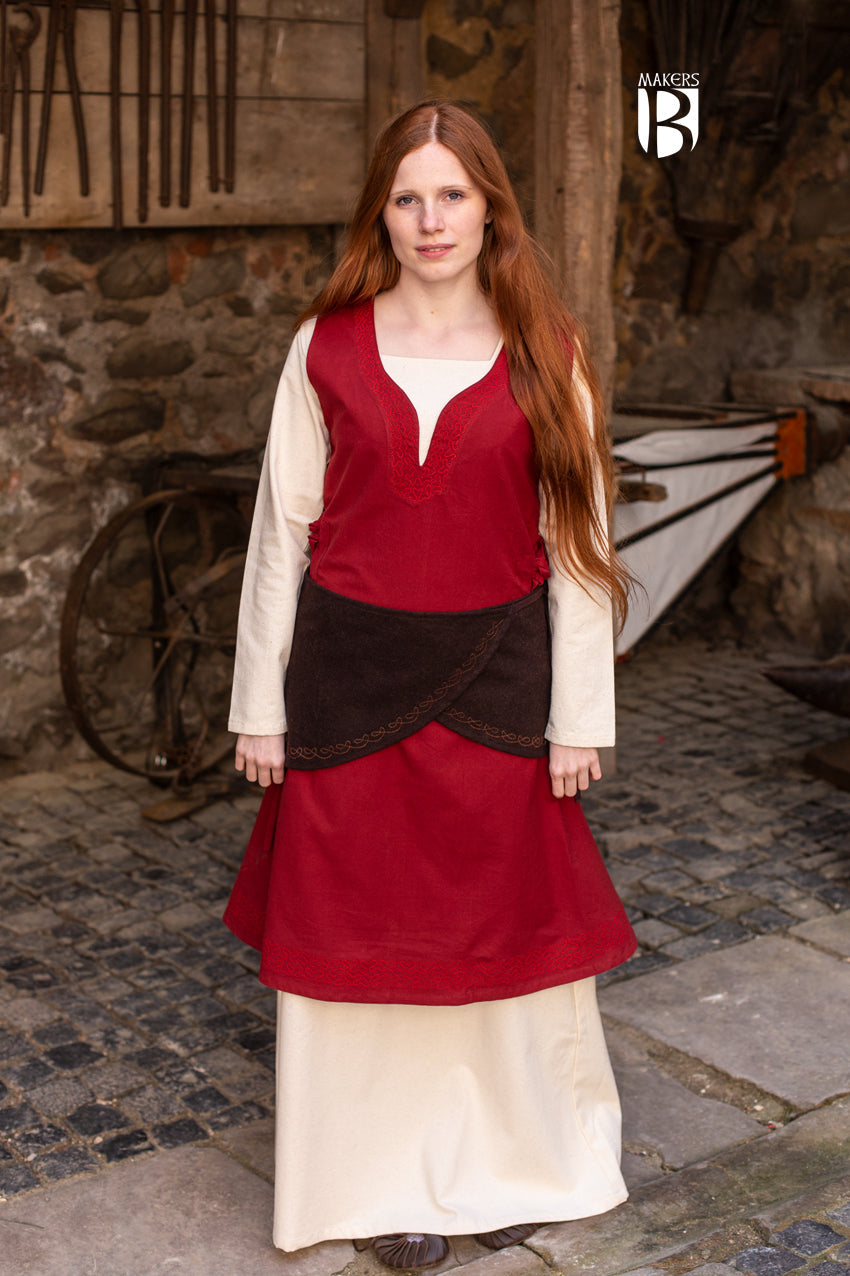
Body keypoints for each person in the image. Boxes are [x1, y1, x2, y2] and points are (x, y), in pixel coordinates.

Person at [223, 98, 637, 1269]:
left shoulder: (546, 351)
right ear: (382, 214)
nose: (430, 218)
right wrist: (259, 704)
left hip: (498, 688)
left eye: (451, 193)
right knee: (358, 943)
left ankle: (508, 1160)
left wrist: (579, 715)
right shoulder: (323, 347)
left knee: (499, 940)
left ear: (490, 207)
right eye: (407, 197)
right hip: (345, 690)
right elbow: (279, 534)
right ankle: (370, 1183)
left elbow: (576, 544)